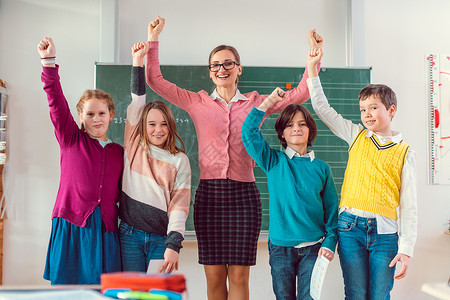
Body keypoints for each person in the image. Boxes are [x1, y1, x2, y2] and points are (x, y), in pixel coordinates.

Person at [145, 16, 322, 300]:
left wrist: (313, 61)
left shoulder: (256, 101)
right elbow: (155, 80)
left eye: (228, 63)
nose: (222, 68)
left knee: (239, 275)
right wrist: (153, 38)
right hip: (210, 197)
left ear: (239, 69)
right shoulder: (197, 101)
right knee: (214, 277)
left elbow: (299, 94)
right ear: (210, 72)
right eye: (215, 65)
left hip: (244, 197)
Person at [307, 45, 417, 299]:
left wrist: (407, 248)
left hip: (386, 234)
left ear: (391, 111)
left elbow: (409, 206)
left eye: (374, 108)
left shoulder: (405, 152)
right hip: (349, 228)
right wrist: (312, 68)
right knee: (355, 293)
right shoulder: (356, 135)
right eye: (363, 109)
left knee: (380, 294)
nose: (367, 114)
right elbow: (323, 109)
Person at [37, 37, 124, 284]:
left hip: (105, 231)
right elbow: (55, 101)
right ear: (80, 116)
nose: (96, 119)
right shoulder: (71, 139)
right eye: (90, 114)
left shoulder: (120, 152)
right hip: (72, 224)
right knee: (67, 291)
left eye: (101, 113)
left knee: (102, 291)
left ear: (111, 115)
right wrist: (48, 62)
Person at [241, 85, 338, 300]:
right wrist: (267, 103)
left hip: (314, 247)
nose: (296, 128)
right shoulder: (274, 161)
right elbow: (248, 132)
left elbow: (331, 210)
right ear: (282, 133)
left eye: (302, 124)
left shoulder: (322, 168)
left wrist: (330, 241)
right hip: (280, 247)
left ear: (310, 130)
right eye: (290, 125)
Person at [119, 42, 191, 274]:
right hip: (129, 235)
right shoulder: (134, 143)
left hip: (162, 239)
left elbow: (179, 206)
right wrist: (137, 61)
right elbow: (138, 100)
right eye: (151, 124)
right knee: (130, 294)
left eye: (163, 124)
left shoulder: (180, 160)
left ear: (170, 127)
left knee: (158, 296)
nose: (157, 130)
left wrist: (174, 245)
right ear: (142, 126)